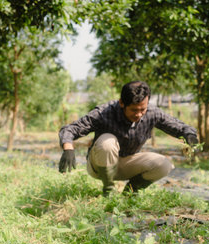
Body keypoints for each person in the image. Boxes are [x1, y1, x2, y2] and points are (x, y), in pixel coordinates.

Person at [58, 81, 198, 195]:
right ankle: (109, 191)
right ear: (121, 103)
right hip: (99, 164)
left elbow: (179, 126)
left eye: (142, 109)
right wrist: (68, 148)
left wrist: (190, 136)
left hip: (127, 162)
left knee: (164, 165)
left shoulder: (152, 113)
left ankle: (130, 192)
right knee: (107, 141)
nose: (139, 114)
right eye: (134, 110)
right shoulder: (104, 112)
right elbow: (71, 129)